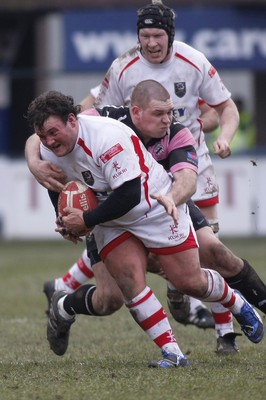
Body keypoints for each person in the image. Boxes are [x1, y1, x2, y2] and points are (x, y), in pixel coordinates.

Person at [26, 0, 231, 332]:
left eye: (157, 35)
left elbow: (221, 110)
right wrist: (34, 156)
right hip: (133, 172)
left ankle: (222, 329)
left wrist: (219, 131)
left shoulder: (192, 63)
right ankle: (69, 291)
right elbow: (73, 116)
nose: (150, 42)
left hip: (187, 170)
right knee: (116, 288)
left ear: (170, 36)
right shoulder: (123, 68)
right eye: (144, 35)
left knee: (207, 256)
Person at [26, 88, 264, 368]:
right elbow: (58, 184)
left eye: (53, 133)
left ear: (72, 121)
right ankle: (173, 354)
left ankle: (236, 303)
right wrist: (63, 217)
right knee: (127, 282)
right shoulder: (49, 145)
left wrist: (86, 220)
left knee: (189, 281)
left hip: (154, 205)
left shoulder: (107, 137)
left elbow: (129, 195)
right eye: (43, 136)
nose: (49, 142)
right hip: (110, 220)